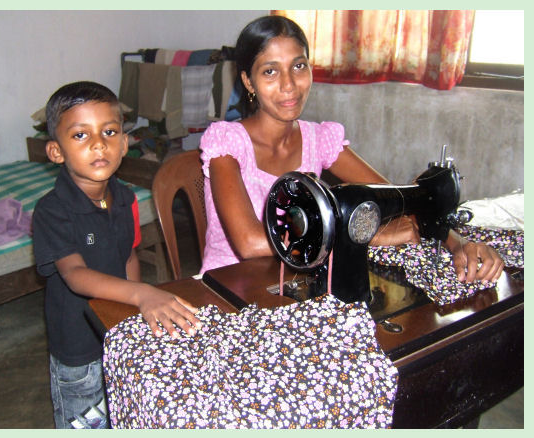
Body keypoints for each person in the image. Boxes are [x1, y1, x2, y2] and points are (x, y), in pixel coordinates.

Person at [199, 15, 504, 284]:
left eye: (299, 66)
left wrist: (458, 243)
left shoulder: (319, 140)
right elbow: (250, 243)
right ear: (248, 81)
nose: (289, 84)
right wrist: (364, 234)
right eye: (270, 71)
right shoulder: (227, 144)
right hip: (232, 285)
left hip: (298, 281)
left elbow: (399, 202)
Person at [32, 81, 201, 429]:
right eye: (80, 135)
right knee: (84, 424)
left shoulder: (124, 198)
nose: (99, 144)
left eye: (109, 132)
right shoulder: (52, 211)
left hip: (116, 333)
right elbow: (75, 274)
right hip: (78, 349)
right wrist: (142, 294)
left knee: (122, 412)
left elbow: (128, 257)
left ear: (124, 143)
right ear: (56, 151)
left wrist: (132, 314)